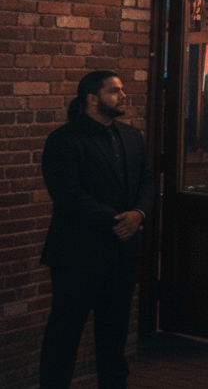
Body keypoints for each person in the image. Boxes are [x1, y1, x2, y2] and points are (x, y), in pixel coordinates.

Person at [39, 71, 156, 388]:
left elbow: (147, 179)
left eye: (122, 90)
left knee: (115, 331)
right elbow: (67, 194)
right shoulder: (64, 139)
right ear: (92, 98)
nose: (123, 96)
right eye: (114, 91)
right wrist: (118, 221)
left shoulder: (131, 137)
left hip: (122, 252)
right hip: (77, 253)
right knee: (65, 332)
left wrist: (139, 213)